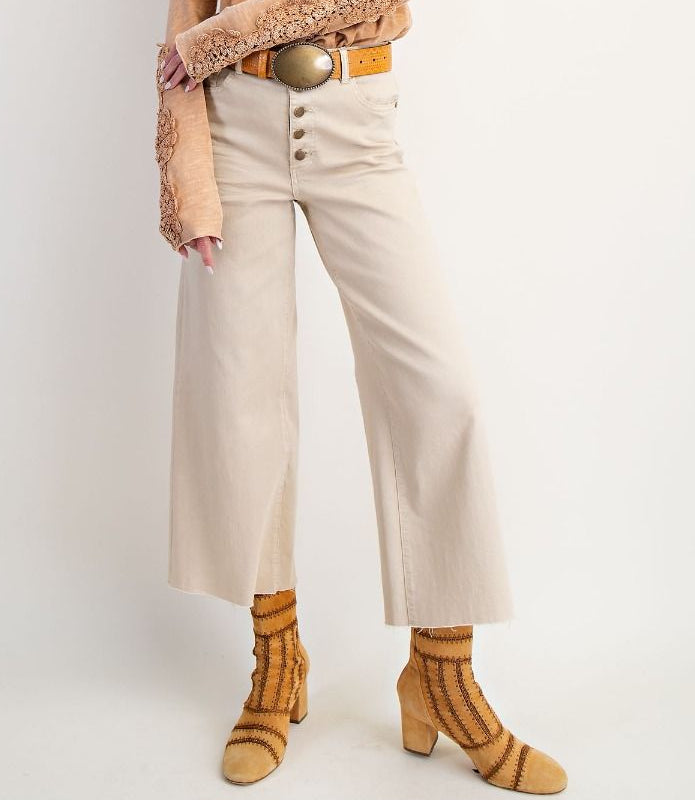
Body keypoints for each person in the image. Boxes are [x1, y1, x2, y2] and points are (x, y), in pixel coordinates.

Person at [155, 0, 568, 792]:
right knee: (239, 394)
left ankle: (441, 674)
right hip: (233, 128)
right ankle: (275, 660)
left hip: (356, 124)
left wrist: (217, 37)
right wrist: (189, 187)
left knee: (440, 392)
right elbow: (178, 38)